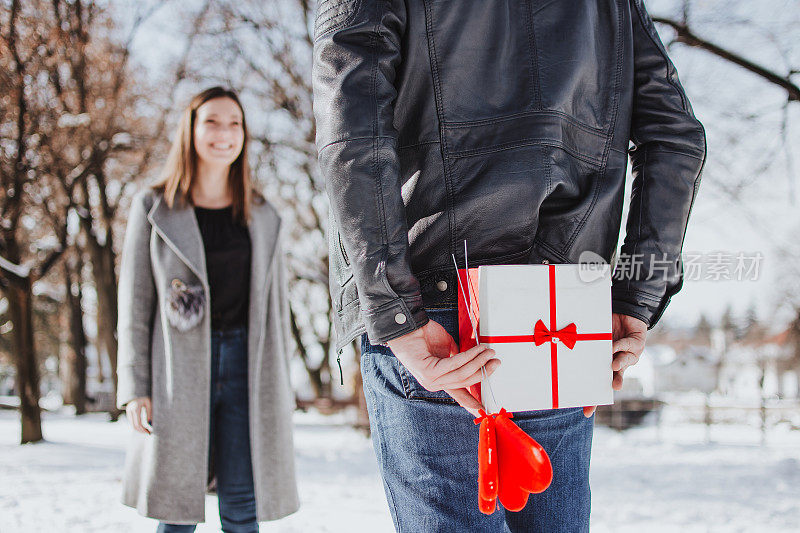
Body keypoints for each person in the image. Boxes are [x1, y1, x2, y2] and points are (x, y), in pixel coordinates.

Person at [313, 0, 706, 531]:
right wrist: (636, 294)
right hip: (561, 317)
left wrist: (390, 305)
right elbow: (677, 137)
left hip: (434, 305)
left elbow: (353, 124)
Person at [116, 86, 299, 532]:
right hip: (177, 370)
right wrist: (135, 386)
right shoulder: (154, 206)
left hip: (247, 369)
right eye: (212, 122)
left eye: (234, 123)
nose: (225, 133)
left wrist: (282, 384)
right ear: (191, 131)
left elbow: (276, 312)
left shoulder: (263, 213)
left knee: (243, 504)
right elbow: (135, 302)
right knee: (176, 508)